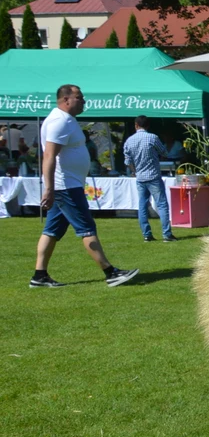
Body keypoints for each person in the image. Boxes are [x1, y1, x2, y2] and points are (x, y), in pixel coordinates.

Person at [30, 84, 138, 288]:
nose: (84, 101)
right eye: (79, 97)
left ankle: (39, 275)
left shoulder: (66, 120)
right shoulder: (59, 122)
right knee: (87, 228)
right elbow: (49, 156)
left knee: (51, 231)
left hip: (68, 185)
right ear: (66, 100)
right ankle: (111, 272)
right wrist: (50, 188)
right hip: (66, 187)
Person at [123, 114, 176, 242]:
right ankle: (166, 234)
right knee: (162, 205)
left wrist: (135, 171)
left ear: (136, 125)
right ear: (148, 125)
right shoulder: (153, 138)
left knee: (142, 206)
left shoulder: (129, 141)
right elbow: (164, 152)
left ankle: (147, 234)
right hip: (153, 176)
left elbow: (127, 161)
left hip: (140, 177)